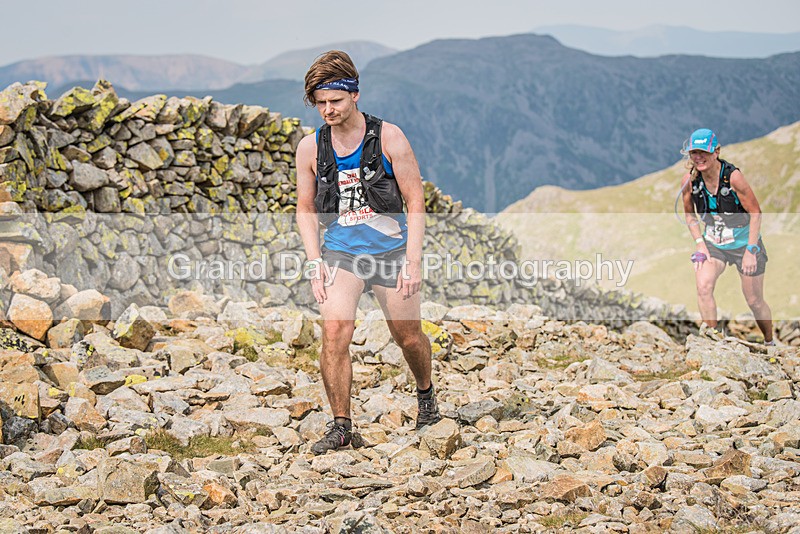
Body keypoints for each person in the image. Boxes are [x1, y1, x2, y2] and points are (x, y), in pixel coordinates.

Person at [295, 50, 442, 455]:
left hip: (392, 252)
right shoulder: (311, 148)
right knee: (335, 332)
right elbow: (305, 209)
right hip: (341, 253)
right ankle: (342, 425)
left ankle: (426, 396)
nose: (328, 110)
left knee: (408, 337)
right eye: (320, 103)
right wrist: (313, 263)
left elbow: (415, 201)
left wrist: (413, 263)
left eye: (335, 101)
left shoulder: (389, 137)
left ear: (355, 94)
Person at [680, 128, 774, 344]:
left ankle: (770, 342)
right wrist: (700, 245)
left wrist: (752, 249)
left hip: (744, 245)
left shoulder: (733, 177)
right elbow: (690, 216)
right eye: (694, 153)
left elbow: (756, 213)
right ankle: (713, 344)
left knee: (754, 300)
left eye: (704, 152)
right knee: (703, 286)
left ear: (716, 152)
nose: (699, 157)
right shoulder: (689, 181)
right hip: (715, 244)